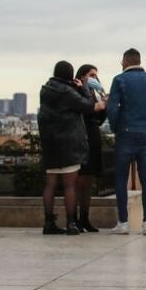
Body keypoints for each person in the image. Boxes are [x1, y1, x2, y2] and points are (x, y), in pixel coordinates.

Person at [38, 61, 106, 235]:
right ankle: (71, 223)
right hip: (69, 142)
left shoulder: (45, 90)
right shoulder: (68, 92)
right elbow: (91, 106)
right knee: (70, 185)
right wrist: (84, 89)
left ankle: (48, 222)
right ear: (71, 75)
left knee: (50, 184)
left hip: (50, 142)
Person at [106, 48, 146, 235]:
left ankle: (123, 222)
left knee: (121, 179)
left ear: (125, 61)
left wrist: (116, 128)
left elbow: (112, 109)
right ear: (139, 61)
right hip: (145, 134)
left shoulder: (119, 80)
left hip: (125, 133)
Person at [74, 64, 107, 232]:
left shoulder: (95, 93)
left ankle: (84, 218)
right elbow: (82, 111)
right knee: (79, 179)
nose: (94, 78)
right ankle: (75, 218)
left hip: (93, 134)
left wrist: (104, 105)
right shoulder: (77, 90)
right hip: (82, 135)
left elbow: (99, 119)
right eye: (91, 74)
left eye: (96, 75)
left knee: (88, 180)